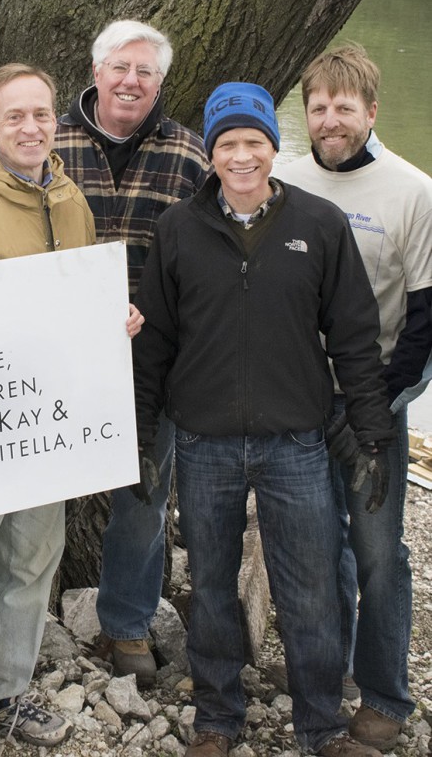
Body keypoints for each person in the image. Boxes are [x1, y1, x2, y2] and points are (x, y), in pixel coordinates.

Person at [132, 82, 393, 757]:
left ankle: (322, 724)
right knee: (212, 587)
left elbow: (355, 338)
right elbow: (154, 342)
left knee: (309, 594)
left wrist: (370, 434)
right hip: (205, 443)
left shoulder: (321, 225)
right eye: (227, 145)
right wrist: (138, 440)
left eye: (254, 142)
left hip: (296, 444)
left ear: (274, 149)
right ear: (210, 155)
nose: (241, 157)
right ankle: (218, 717)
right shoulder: (178, 230)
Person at [0, 63, 142, 756]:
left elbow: (74, 310)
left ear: (56, 122)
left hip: (49, 426)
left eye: (41, 114)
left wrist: (112, 322)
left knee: (31, 565)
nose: (30, 127)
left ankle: (8, 691)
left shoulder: (72, 203)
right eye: (15, 115)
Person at [275, 43, 432, 751]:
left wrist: (383, 404)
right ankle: (325, 671)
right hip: (297, 401)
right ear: (304, 113)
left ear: (370, 111)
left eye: (345, 107)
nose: (330, 120)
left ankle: (386, 695)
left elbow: (426, 314)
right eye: (318, 107)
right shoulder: (281, 176)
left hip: (372, 402)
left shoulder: (411, 191)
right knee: (316, 548)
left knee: (377, 553)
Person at [52, 19, 209, 686]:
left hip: (153, 363)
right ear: (95, 73)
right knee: (33, 490)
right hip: (54, 356)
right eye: (120, 67)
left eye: (145, 72)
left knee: (143, 497)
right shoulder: (48, 143)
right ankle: (17, 626)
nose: (131, 82)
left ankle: (126, 624)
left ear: (161, 83)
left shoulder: (191, 157)